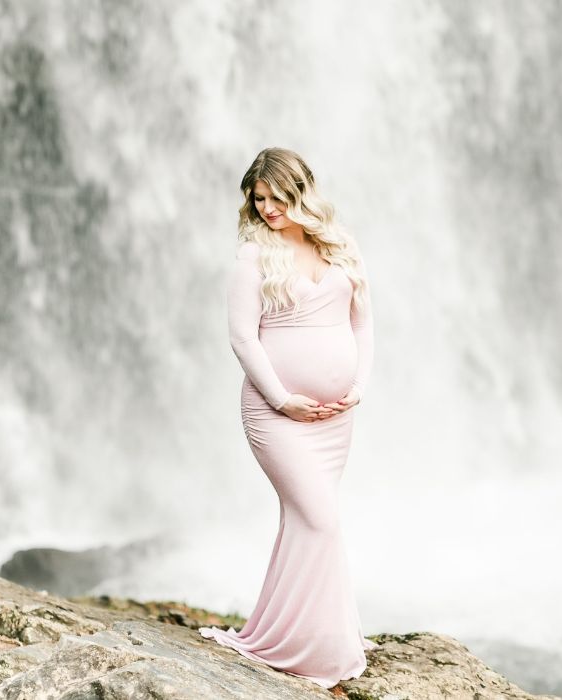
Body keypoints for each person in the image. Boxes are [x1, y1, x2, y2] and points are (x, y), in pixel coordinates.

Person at [199, 147, 378, 689]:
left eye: (278, 196)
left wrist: (357, 387)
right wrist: (281, 398)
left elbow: (364, 325)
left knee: (305, 521)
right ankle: (313, 650)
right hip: (274, 415)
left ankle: (309, 635)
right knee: (320, 518)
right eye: (260, 199)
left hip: (332, 417)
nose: (269, 208)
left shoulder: (340, 245)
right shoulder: (253, 256)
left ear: (302, 190)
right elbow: (241, 338)